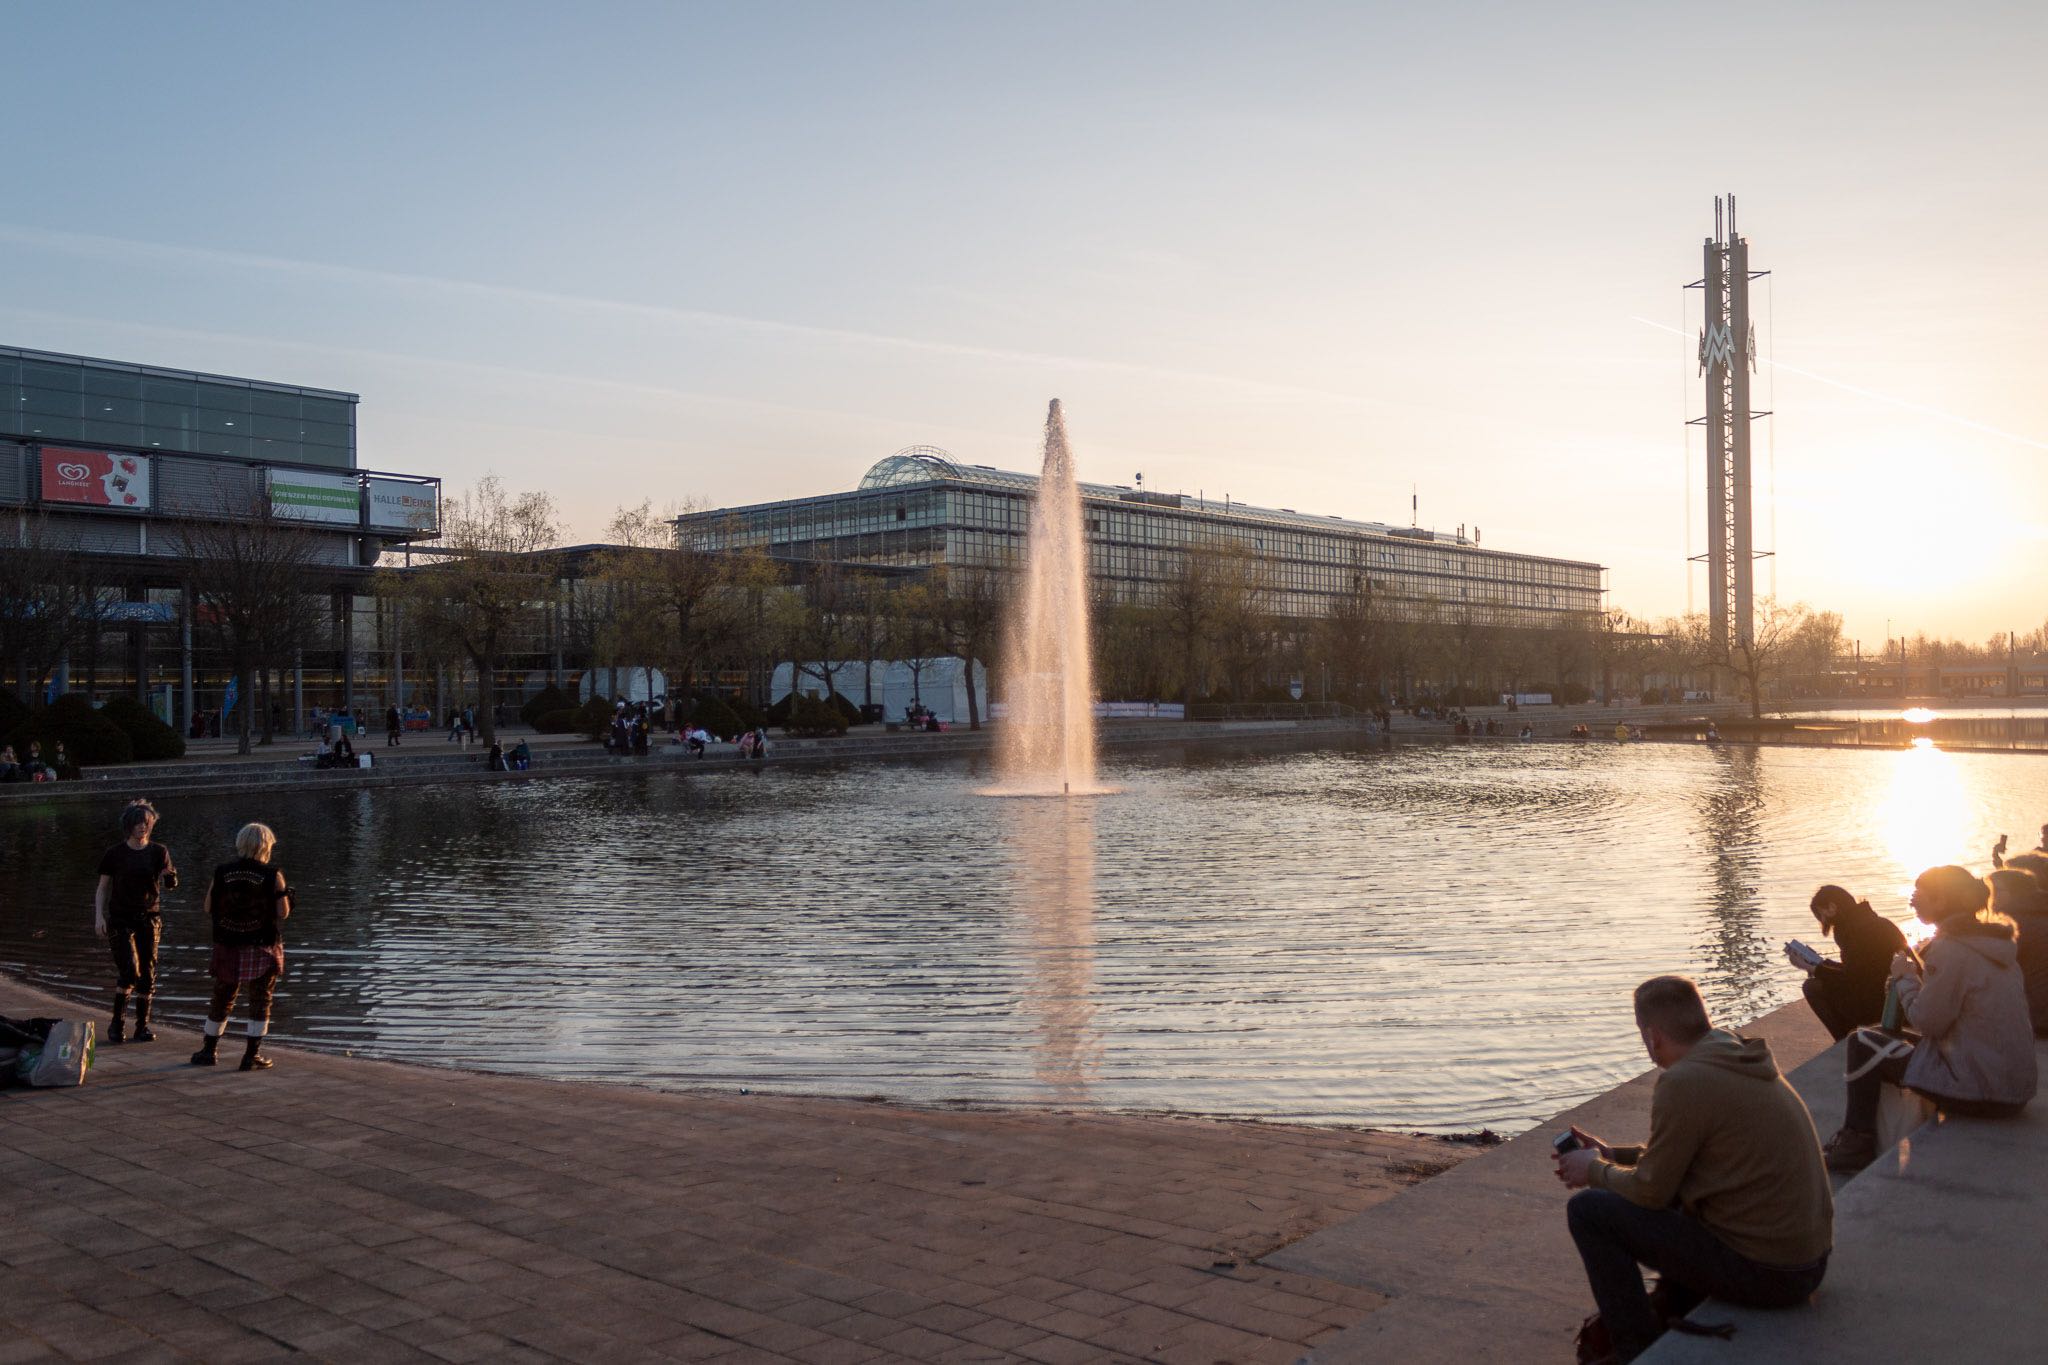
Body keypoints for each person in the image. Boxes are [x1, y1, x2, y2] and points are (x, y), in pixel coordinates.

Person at [1555, 976, 1831, 1362]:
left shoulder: (1682, 1082)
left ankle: (1636, 1350)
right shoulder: (1729, 1053)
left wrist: (1595, 1171)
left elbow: (1652, 1192)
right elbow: (1683, 1159)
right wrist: (1611, 1156)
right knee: (1643, 1191)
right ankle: (1671, 1305)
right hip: (1807, 1261)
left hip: (1773, 1276)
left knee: (1588, 1212)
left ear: (1651, 1036)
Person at [1822, 865, 2039, 1173]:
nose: (1912, 901)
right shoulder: (1997, 947)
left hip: (1981, 1092)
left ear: (1942, 900)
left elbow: (1929, 1022)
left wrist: (1905, 978)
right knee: (1881, 1037)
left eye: (1918, 893)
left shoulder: (1950, 949)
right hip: (2013, 1088)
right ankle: (1858, 1138)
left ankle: (1857, 1141)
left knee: (1863, 1042)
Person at [190, 822, 292, 1072]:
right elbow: (283, 912)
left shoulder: (222, 872)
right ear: (266, 845)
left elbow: (207, 907)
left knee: (222, 996)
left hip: (229, 943)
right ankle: (251, 1055)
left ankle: (209, 1050)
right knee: (260, 998)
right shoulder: (272, 875)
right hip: (261, 945)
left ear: (240, 844)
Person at [94, 799, 179, 1045]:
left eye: (146, 823)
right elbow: (102, 888)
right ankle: (116, 1024)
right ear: (128, 826)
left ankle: (142, 1026)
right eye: (138, 823)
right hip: (120, 918)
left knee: (148, 973)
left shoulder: (158, 851)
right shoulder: (115, 853)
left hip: (149, 917)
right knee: (129, 971)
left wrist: (170, 878)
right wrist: (98, 916)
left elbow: (170, 883)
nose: (142, 827)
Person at [1790, 885, 1908, 1041]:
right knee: (1822, 979)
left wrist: (1812, 968)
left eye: (1821, 914)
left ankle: (1846, 1040)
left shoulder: (1853, 931)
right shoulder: (1873, 921)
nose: (1823, 920)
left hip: (1880, 1004)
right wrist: (1820, 963)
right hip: (1895, 997)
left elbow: (1853, 979)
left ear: (1832, 907)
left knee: (1812, 987)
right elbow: (1858, 969)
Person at [1988, 865, 2048, 1037]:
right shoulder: (2039, 912)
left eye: (1995, 890)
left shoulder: (2015, 925)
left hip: (2035, 1018)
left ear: (2015, 893)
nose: (1990, 896)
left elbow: (1990, 968)